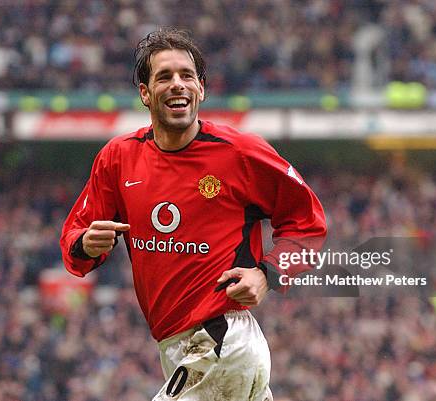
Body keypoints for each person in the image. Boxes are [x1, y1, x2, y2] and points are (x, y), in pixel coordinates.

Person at [60, 28, 326, 401]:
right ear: (145, 93)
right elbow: (75, 240)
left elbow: (308, 222)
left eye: (187, 76)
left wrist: (266, 275)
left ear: (201, 89)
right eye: (164, 77)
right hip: (177, 347)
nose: (177, 84)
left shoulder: (241, 154)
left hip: (223, 341)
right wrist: (87, 244)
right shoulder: (118, 158)